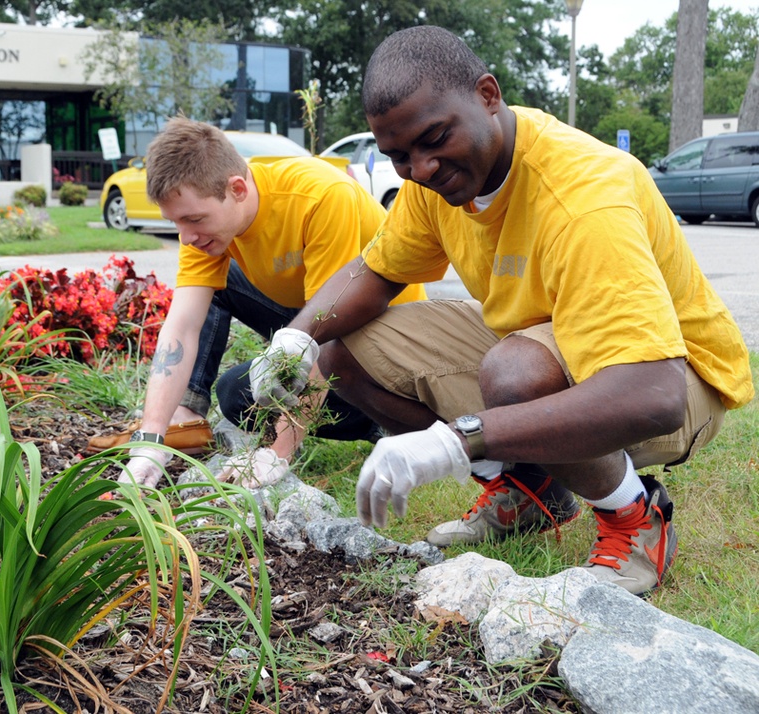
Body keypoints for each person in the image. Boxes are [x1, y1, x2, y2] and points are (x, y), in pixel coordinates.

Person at [248, 25, 754, 596]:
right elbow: (378, 271)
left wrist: (456, 441)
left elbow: (653, 395)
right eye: (398, 156)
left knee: (513, 374)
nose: (421, 169)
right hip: (547, 344)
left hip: (679, 377)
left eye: (434, 139)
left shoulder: (584, 195)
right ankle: (527, 492)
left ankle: (635, 517)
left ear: (488, 95)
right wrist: (295, 338)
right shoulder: (433, 181)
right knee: (345, 350)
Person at [119, 116, 425, 488]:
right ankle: (187, 411)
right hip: (309, 319)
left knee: (251, 392)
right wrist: (151, 442)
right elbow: (182, 325)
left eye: (193, 219)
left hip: (383, 339)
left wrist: (278, 452)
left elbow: (327, 329)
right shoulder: (208, 229)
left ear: (237, 189)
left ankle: (392, 418)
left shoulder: (322, 198)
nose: (185, 238)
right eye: (175, 223)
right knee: (237, 396)